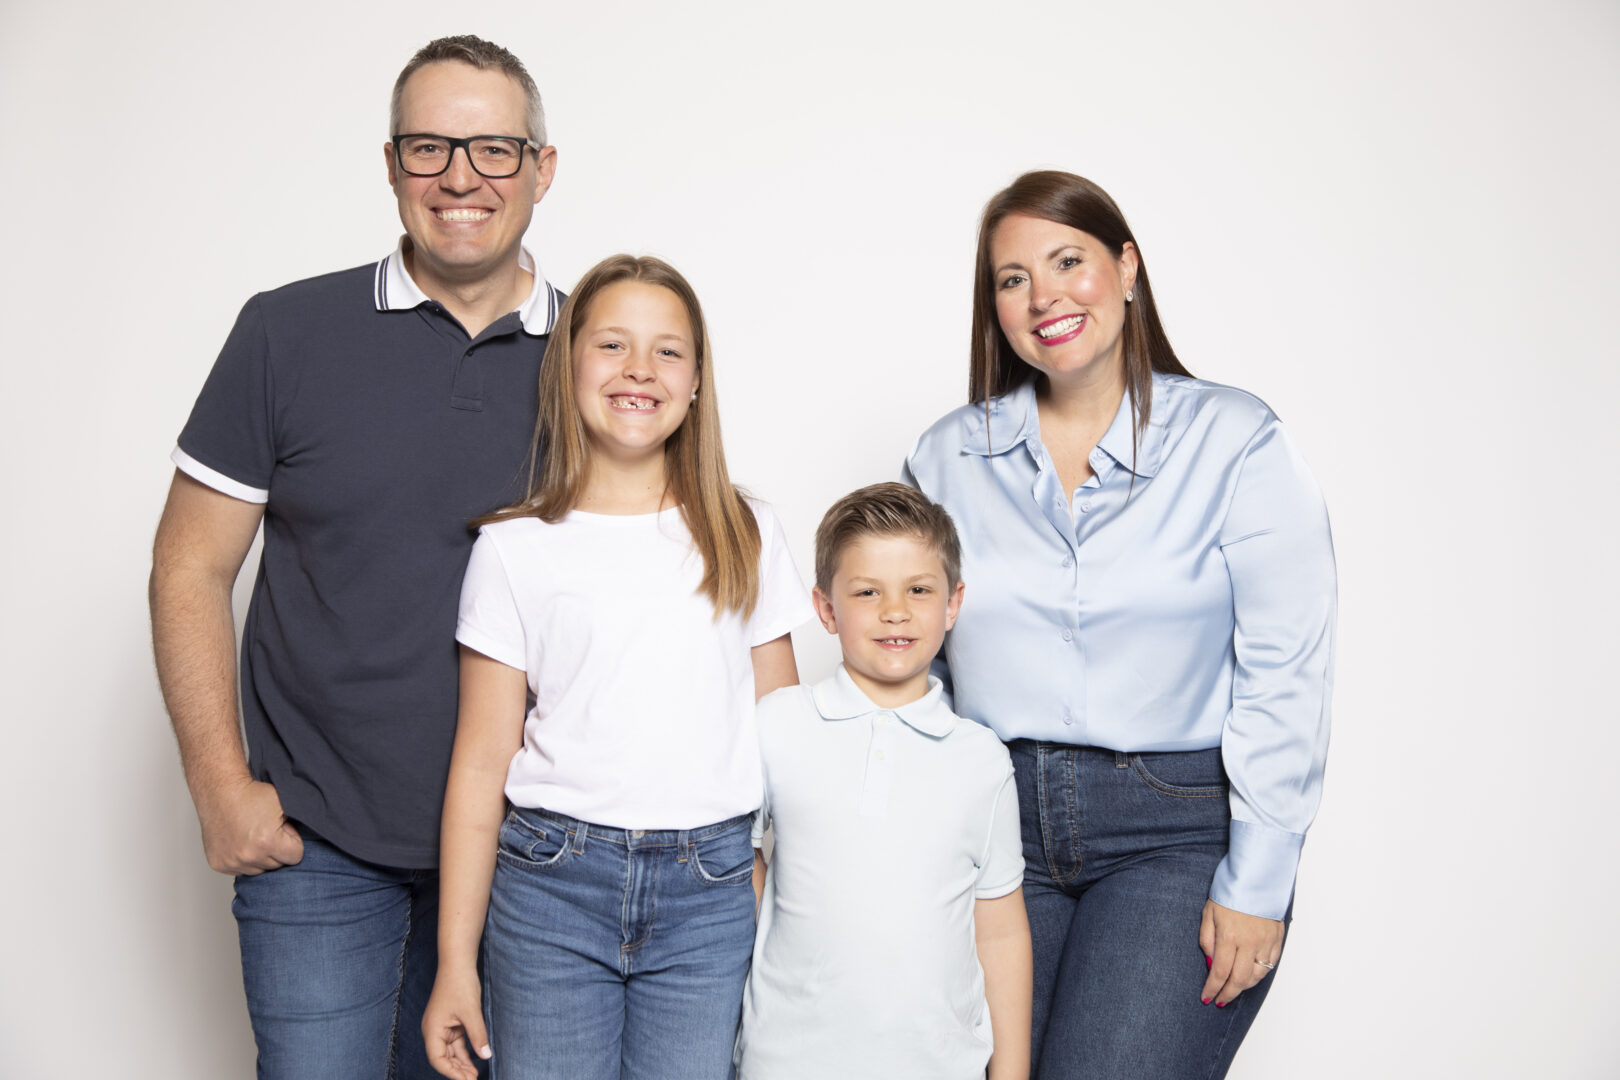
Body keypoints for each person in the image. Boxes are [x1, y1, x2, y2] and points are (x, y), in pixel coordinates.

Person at [148, 35, 559, 1078]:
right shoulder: (286, 333)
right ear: (389, 164)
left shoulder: (604, 363)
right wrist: (218, 784)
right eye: (429, 148)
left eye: (494, 149)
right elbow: (189, 566)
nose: (460, 178)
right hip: (319, 847)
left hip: (535, 850)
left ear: (542, 169)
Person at [903, 170, 1337, 1078]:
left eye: (1069, 262)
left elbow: (1286, 672)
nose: (1044, 296)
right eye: (1013, 278)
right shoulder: (947, 456)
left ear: (1128, 267)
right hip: (993, 825)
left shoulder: (1237, 442)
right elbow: (915, 668)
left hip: (1173, 834)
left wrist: (1261, 881)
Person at [421, 254, 808, 1080]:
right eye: (611, 345)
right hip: (550, 888)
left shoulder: (746, 531)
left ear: (697, 381)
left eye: (668, 350)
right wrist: (455, 962)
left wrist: (771, 882)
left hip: (712, 889)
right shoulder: (512, 548)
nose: (640, 369)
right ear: (567, 368)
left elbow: (787, 739)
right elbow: (481, 761)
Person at [735, 482, 1033, 1080]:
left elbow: (1000, 932)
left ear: (952, 603)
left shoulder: (982, 760)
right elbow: (734, 863)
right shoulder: (778, 725)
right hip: (787, 1063)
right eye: (867, 591)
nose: (895, 610)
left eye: (918, 590)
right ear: (826, 609)